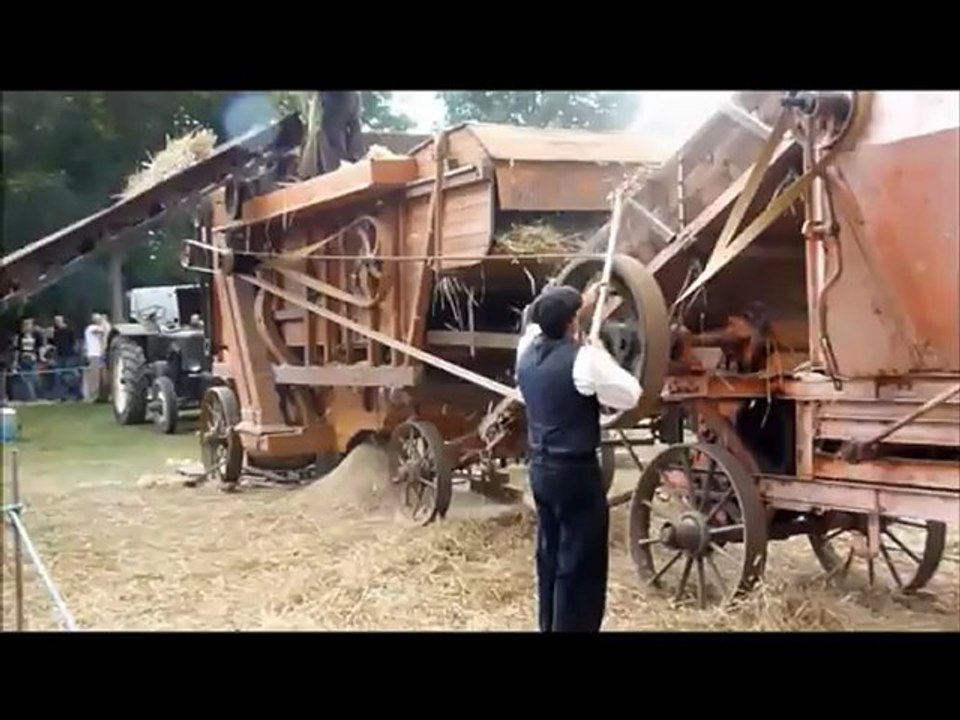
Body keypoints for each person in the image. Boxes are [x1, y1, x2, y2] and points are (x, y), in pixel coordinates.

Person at [515, 284, 642, 632]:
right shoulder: (585, 358)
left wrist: (575, 310)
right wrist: (597, 346)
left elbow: (534, 325)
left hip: (539, 469)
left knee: (550, 553)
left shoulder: (525, 352)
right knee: (580, 563)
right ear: (573, 322)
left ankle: (550, 625)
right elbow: (631, 394)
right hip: (575, 473)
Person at [319, 91, 364, 173]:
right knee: (354, 130)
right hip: (353, 97)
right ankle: (354, 162)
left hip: (336, 100)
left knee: (334, 137)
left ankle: (340, 169)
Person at [52, 314, 83, 401]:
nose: (57, 322)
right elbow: (55, 344)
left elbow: (74, 342)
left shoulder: (69, 330)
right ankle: (63, 395)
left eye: (58, 320)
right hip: (60, 355)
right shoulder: (56, 332)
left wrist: (75, 353)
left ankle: (77, 394)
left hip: (69, 355)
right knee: (61, 376)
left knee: (71, 375)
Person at [14, 317, 42, 402]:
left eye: (29, 324)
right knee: (26, 378)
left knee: (34, 377)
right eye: (26, 325)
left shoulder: (36, 335)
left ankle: (34, 395)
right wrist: (16, 360)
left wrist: (38, 356)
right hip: (24, 358)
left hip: (32, 358)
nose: (27, 326)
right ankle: (31, 396)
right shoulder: (20, 336)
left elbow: (39, 347)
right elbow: (18, 349)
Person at [83, 313, 107, 402]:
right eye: (98, 318)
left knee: (103, 376)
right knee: (95, 376)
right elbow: (102, 331)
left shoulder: (97, 328)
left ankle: (101, 396)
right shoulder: (91, 328)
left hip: (99, 354)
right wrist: (104, 322)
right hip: (93, 354)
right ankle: (93, 396)